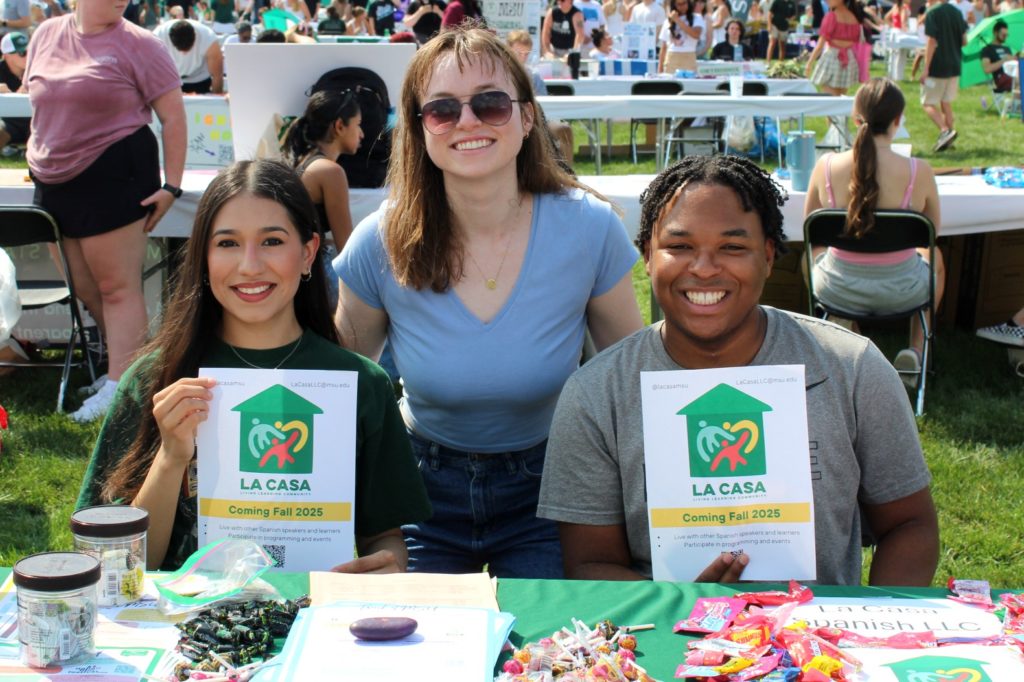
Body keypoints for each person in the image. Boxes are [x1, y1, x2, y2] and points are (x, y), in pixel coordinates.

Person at [537, 154, 940, 586]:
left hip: (818, 644)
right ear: (648, 257)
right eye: (679, 246)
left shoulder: (849, 368)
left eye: (732, 247)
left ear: (768, 256)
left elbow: (910, 525)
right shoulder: (597, 395)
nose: (705, 268)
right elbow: (589, 566)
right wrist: (687, 604)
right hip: (663, 639)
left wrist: (865, 631)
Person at [334, 26, 643, 578]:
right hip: (420, 490)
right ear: (420, 129)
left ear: (527, 119)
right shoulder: (380, 240)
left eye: (491, 103)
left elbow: (631, 378)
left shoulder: (589, 228)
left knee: (542, 655)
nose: (468, 121)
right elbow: (338, 386)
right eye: (443, 109)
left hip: (551, 487)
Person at [75, 160, 431, 571]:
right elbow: (122, 568)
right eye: (227, 243)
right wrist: (172, 457)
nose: (249, 265)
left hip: (310, 622)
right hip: (182, 627)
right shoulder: (154, 380)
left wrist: (387, 568)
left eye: (272, 241)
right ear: (203, 258)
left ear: (308, 252)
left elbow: (383, 537)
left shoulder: (360, 385)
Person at [25, 0, 186, 423]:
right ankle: (130, 366)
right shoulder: (46, 33)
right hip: (54, 180)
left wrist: (172, 185)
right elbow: (42, 103)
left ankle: (122, 388)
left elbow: (173, 117)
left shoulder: (141, 44)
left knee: (117, 287)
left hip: (116, 173)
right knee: (83, 285)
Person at [804, 78, 945, 386]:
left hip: (837, 290)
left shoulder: (826, 166)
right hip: (904, 290)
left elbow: (811, 232)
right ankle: (917, 350)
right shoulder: (919, 171)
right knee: (935, 255)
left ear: (856, 119)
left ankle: (852, 343)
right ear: (898, 120)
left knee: (812, 253)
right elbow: (933, 232)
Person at [281, 89, 363, 307]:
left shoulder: (304, 161)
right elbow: (347, 247)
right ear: (339, 126)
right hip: (316, 273)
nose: (361, 133)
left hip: (298, 267)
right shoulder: (330, 172)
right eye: (358, 124)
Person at [920, 0, 967, 151]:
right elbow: (964, 41)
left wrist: (926, 68)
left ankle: (944, 130)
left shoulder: (932, 12)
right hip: (954, 64)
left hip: (938, 65)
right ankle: (949, 140)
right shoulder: (957, 12)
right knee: (946, 102)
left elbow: (931, 41)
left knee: (927, 102)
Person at [805, 0, 864, 95]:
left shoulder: (831, 16)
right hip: (849, 61)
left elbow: (820, 45)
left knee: (829, 101)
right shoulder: (854, 18)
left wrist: (809, 63)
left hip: (833, 58)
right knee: (841, 99)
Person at [154, 19, 224, 94]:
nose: (184, 54)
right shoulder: (156, 38)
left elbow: (217, 75)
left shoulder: (209, 39)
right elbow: (152, 73)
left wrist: (216, 100)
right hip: (170, 81)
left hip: (200, 80)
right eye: (180, 49)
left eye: (188, 49)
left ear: (195, 35)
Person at [0, 33, 29, 156]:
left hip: (36, 122)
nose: (27, 56)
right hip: (8, 124)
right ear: (7, 56)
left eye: (30, 51)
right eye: (22, 53)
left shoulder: (38, 68)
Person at [659, 0, 704, 73]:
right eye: (679, 4)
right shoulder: (668, 21)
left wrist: (677, 20)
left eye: (684, 3)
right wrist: (660, 68)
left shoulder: (697, 17)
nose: (682, 7)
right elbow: (664, 46)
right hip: (671, 57)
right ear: (674, 5)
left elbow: (696, 35)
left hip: (688, 57)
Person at [982, 19, 1018, 93]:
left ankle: (1017, 103)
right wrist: (1003, 60)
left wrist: (1015, 58)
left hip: (1013, 74)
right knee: (1020, 80)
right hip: (1001, 78)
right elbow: (987, 69)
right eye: (1003, 35)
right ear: (995, 33)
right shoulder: (987, 49)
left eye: (1006, 35)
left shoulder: (1007, 48)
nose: (1005, 37)